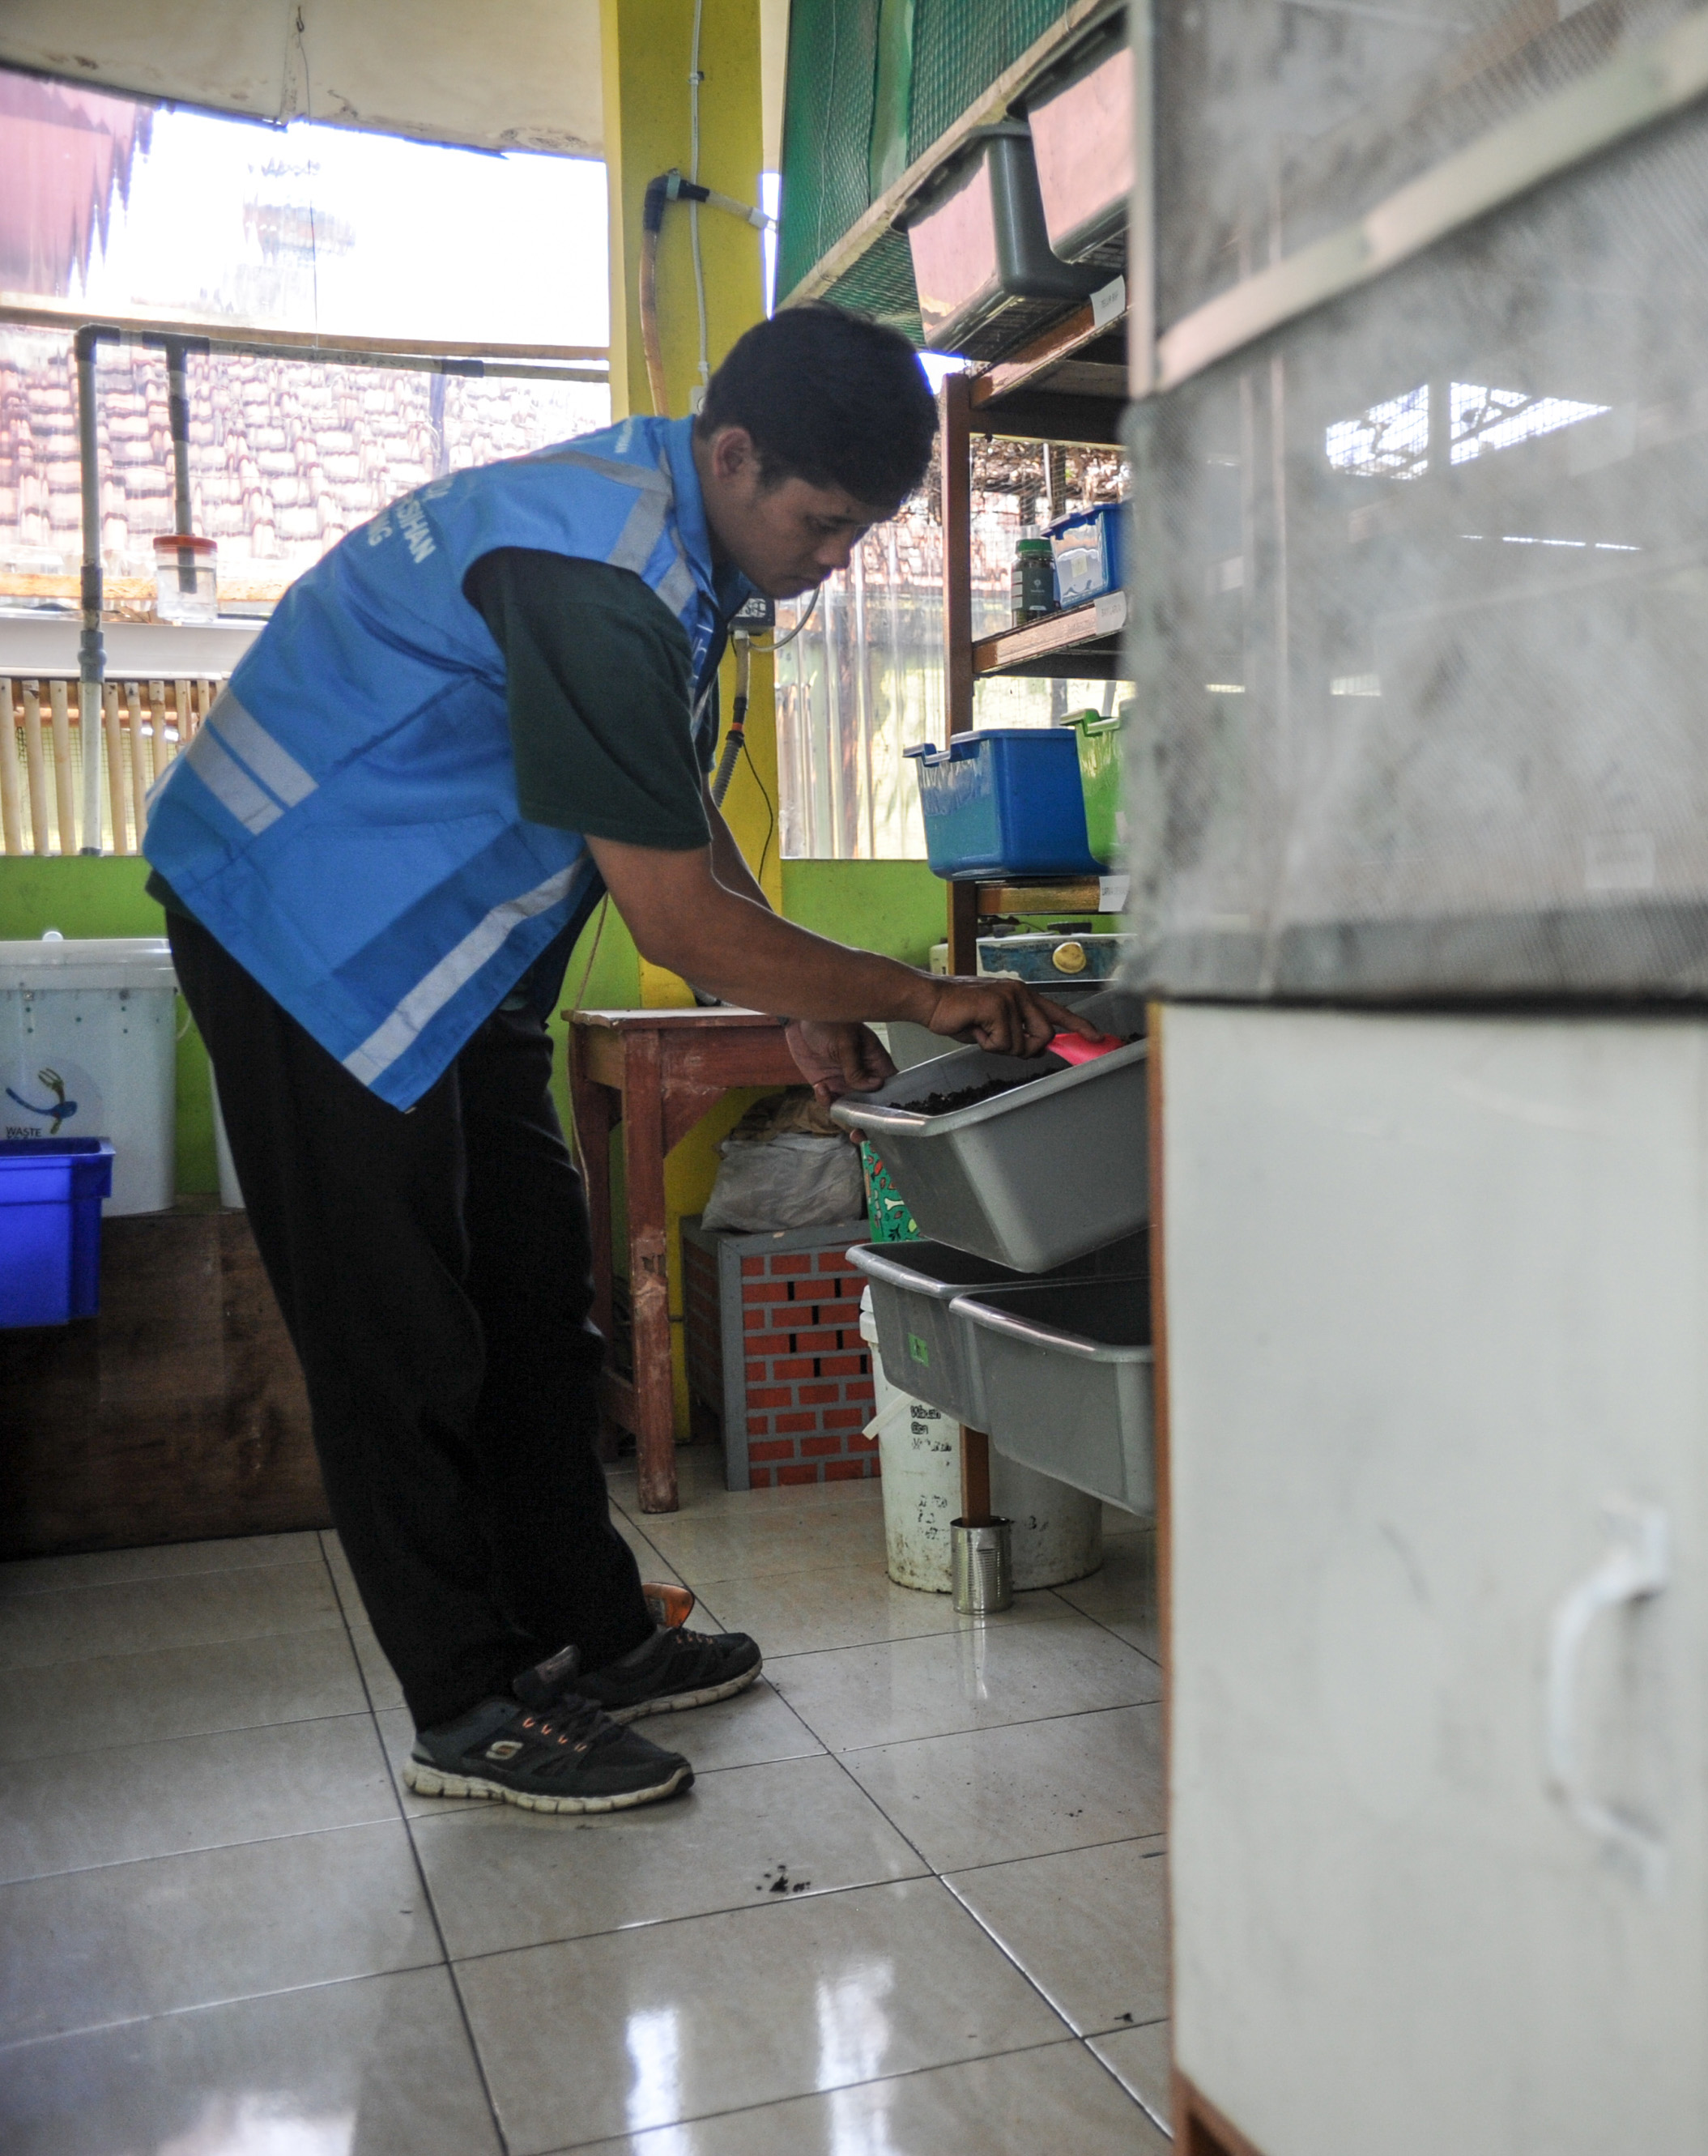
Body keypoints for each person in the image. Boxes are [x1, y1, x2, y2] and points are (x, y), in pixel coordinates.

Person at [141, 307, 1067, 1813]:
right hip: (294, 924)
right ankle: (467, 1702)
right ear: (734, 452)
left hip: (443, 959)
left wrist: (800, 1001)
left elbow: (672, 812)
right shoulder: (598, 567)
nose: (832, 561)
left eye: (855, 537)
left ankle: (594, 1630)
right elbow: (667, 907)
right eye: (821, 524)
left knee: (527, 1279)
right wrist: (923, 992)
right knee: (397, 1331)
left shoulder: (679, 552)